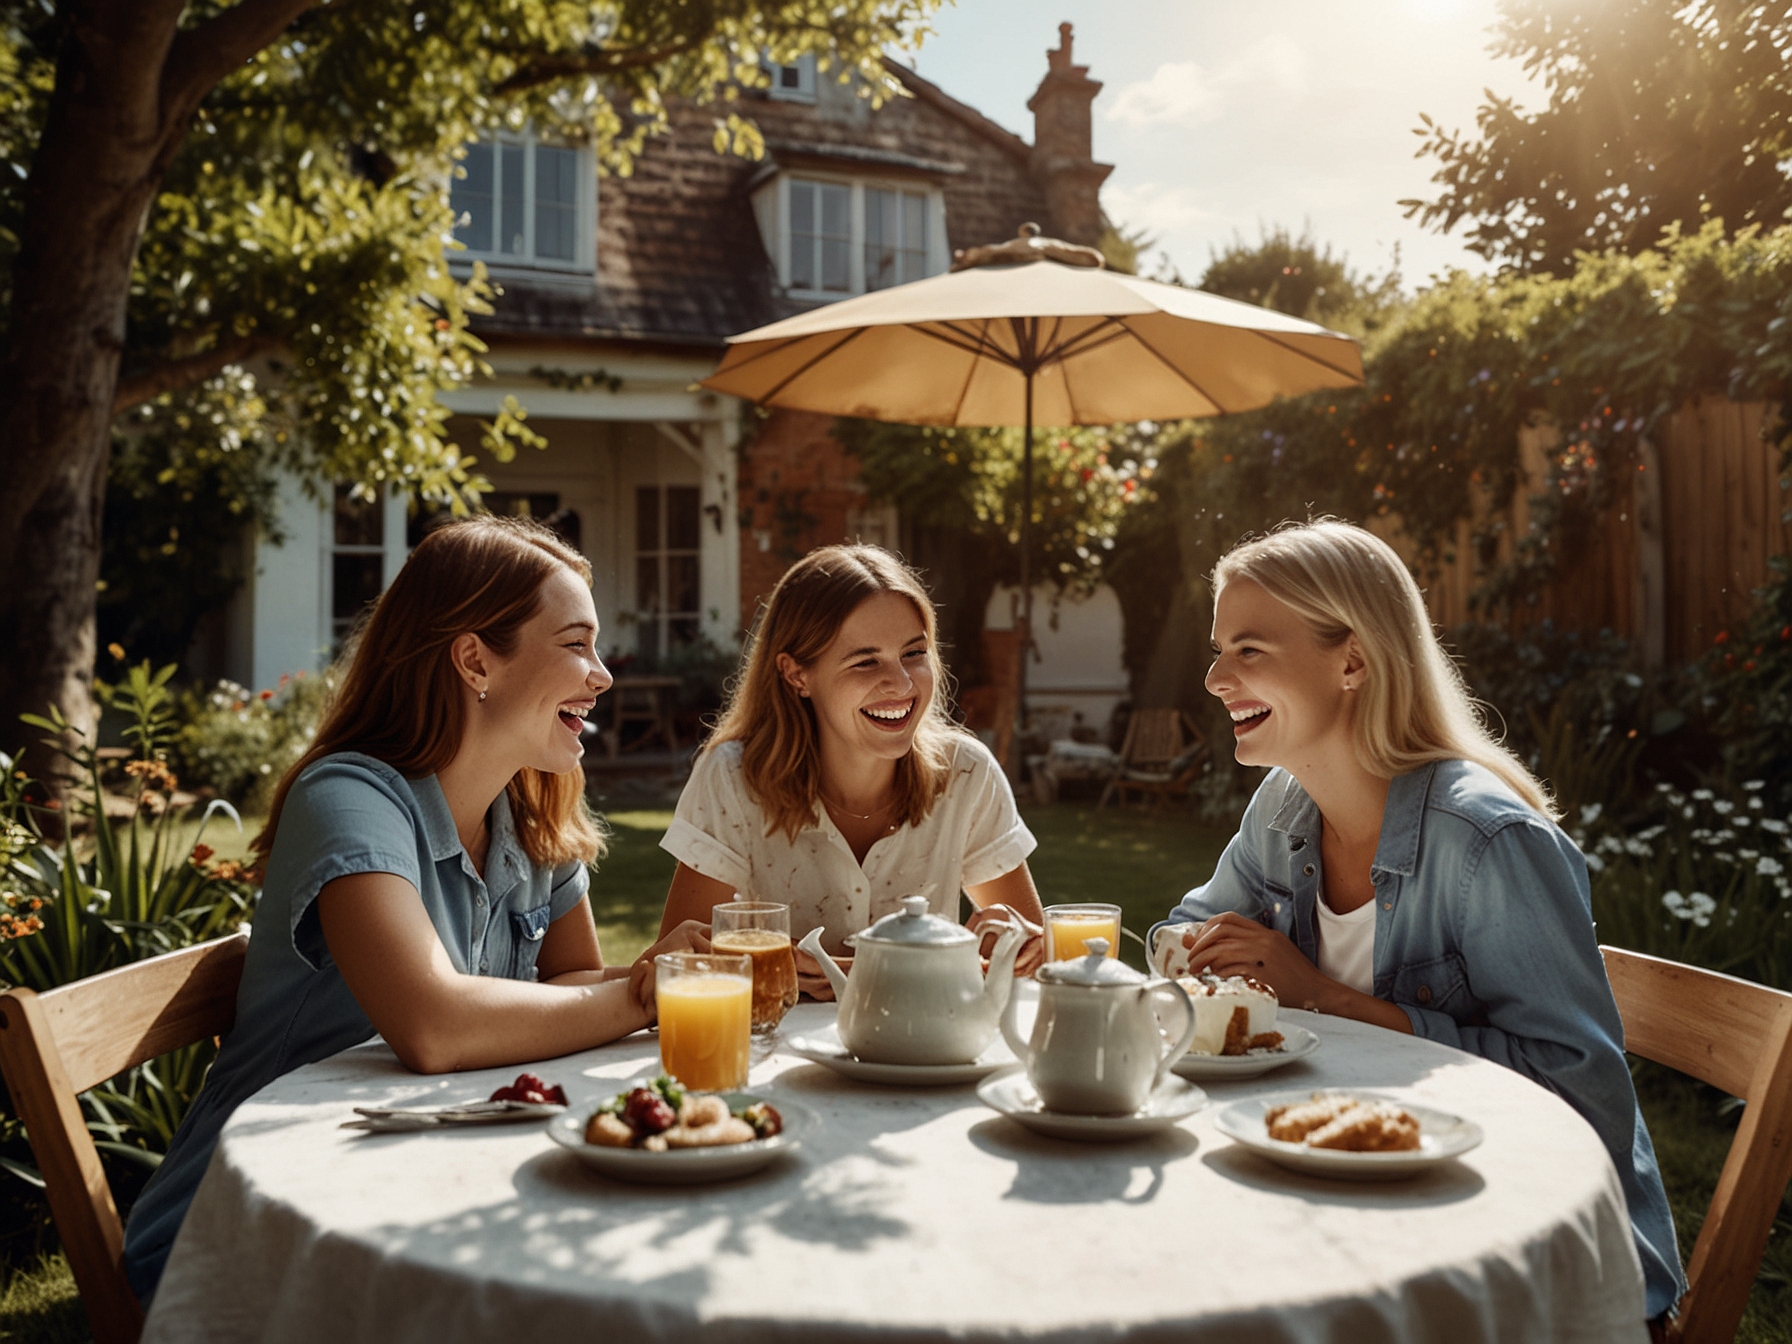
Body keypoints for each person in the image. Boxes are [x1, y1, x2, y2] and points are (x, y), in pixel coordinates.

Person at [122, 515, 703, 1301]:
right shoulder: (352, 799)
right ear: (475, 660)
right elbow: (433, 1027)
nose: (601, 674)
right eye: (574, 645)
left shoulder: (529, 811)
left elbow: (572, 985)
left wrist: (678, 976)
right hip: (253, 1231)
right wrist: (640, 994)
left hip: (421, 1183)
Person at [1152, 518, 1684, 1325]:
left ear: (1353, 660)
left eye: (1249, 650)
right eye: (1220, 648)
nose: (1214, 676)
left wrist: (1321, 997)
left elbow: (1579, 1097)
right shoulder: (1287, 805)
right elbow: (1190, 922)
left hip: (1523, 1270)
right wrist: (1189, 951)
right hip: (1353, 1201)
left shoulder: (1489, 843)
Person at [645, 544, 1044, 1002]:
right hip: (775, 1062)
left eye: (914, 653)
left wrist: (1021, 945)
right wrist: (749, 971)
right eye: (866, 661)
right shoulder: (734, 778)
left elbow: (1033, 966)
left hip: (924, 1057)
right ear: (797, 675)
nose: (902, 683)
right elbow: (673, 969)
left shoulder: (966, 773)